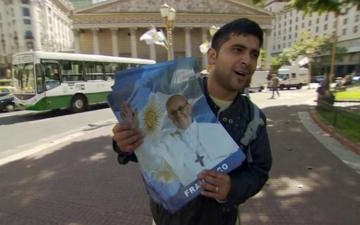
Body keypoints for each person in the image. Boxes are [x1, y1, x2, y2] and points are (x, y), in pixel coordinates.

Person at [112, 18, 272, 225]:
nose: (247, 60)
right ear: (212, 56)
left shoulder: (254, 118)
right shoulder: (176, 96)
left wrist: (232, 188)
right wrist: (124, 143)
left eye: (254, 54)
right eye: (237, 50)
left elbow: (259, 171)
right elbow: (152, 155)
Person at [155, 94, 239, 186]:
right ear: (169, 117)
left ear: (189, 108)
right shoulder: (167, 145)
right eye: (173, 112)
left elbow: (235, 160)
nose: (178, 115)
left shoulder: (216, 130)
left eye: (181, 108)